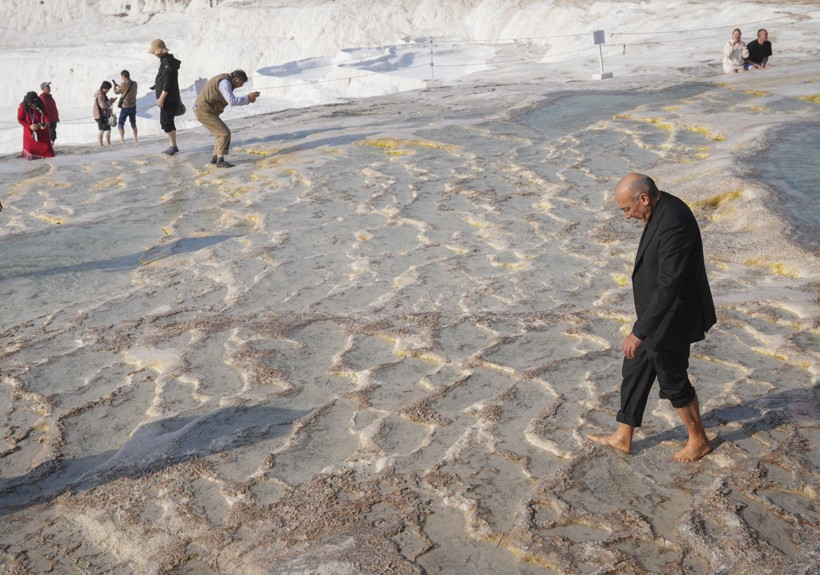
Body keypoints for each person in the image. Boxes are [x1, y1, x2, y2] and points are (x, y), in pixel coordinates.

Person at [587, 173, 716, 463]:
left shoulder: (674, 223)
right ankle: (623, 436)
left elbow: (669, 285)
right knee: (635, 366)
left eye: (627, 209)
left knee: (672, 379)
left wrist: (640, 331)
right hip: (656, 313)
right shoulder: (660, 207)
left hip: (673, 316)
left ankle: (699, 440)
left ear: (643, 198)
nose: (627, 216)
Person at [194, 70, 260, 168]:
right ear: (236, 79)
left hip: (204, 109)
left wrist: (249, 98)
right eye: (241, 83)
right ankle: (220, 161)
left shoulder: (225, 81)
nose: (241, 85)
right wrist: (248, 98)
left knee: (218, 133)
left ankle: (215, 158)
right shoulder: (225, 82)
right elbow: (232, 101)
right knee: (224, 133)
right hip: (204, 110)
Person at [148, 39, 182, 155]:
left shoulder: (167, 62)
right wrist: (156, 85)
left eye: (155, 52)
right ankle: (172, 145)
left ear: (160, 51)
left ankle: (173, 146)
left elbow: (168, 82)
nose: (155, 55)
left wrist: (161, 98)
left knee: (165, 122)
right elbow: (164, 78)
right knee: (168, 121)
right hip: (171, 97)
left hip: (169, 98)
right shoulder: (167, 60)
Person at [17, 91, 54, 160]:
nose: (35, 105)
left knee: (48, 152)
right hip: (30, 132)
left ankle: (52, 170)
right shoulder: (22, 107)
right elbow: (20, 119)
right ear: (28, 103)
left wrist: (45, 124)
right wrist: (29, 126)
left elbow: (47, 117)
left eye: (35, 104)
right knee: (31, 153)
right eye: (33, 104)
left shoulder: (41, 104)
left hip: (42, 132)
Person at [113, 70, 138, 144]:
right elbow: (129, 90)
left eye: (122, 77)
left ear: (123, 76)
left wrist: (115, 87)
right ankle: (135, 139)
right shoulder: (135, 83)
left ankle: (122, 139)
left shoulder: (123, 84)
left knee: (121, 123)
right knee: (133, 123)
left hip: (125, 107)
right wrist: (120, 87)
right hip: (133, 105)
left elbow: (116, 92)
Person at [93, 81, 116, 147]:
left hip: (100, 115)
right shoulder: (101, 95)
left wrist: (110, 102)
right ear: (104, 88)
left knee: (105, 128)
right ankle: (102, 144)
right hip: (100, 115)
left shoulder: (101, 94)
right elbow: (102, 105)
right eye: (108, 89)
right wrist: (110, 101)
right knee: (103, 129)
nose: (108, 90)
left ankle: (105, 144)